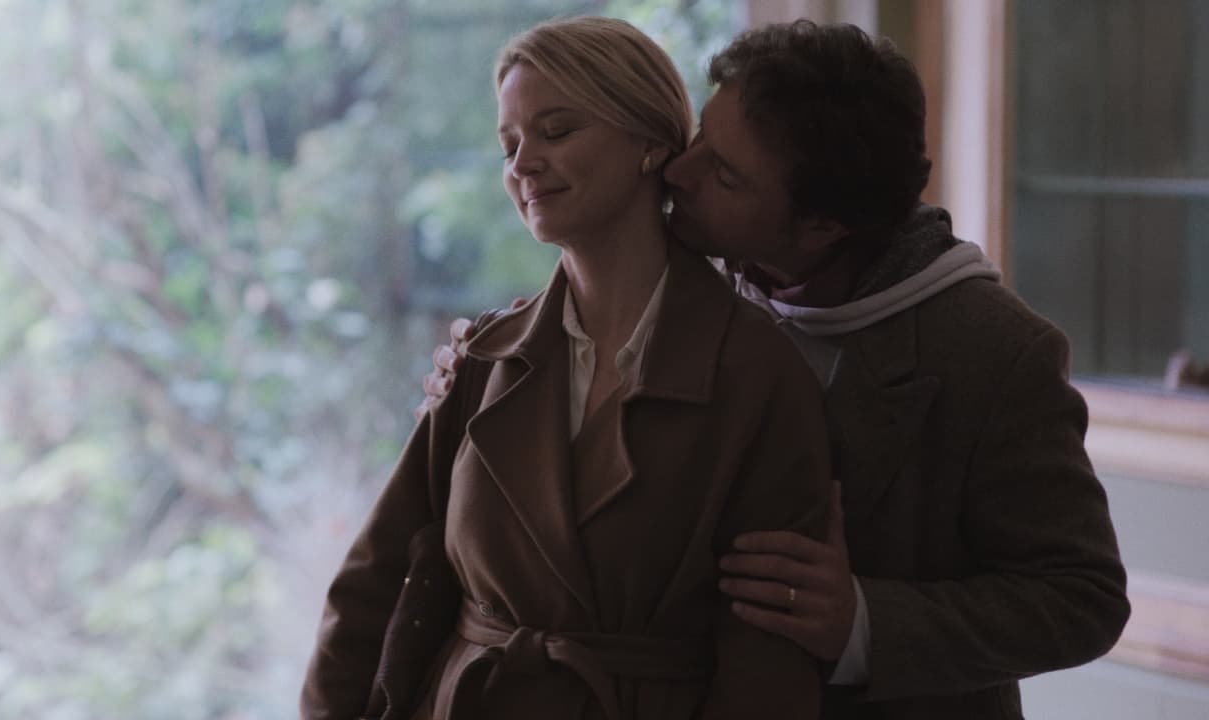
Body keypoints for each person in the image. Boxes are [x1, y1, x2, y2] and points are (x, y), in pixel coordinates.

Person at [422, 19, 1130, 719]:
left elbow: (1084, 597)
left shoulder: (994, 351)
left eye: (725, 175)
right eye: (702, 137)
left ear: (820, 227)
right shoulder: (692, 284)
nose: (679, 171)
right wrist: (491, 368)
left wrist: (860, 623)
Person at [302, 17, 833, 720]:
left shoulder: (758, 370)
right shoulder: (481, 357)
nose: (523, 164)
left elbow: (768, 654)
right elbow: (372, 581)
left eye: (556, 131)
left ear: (650, 142)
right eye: (509, 144)